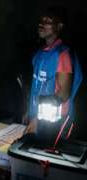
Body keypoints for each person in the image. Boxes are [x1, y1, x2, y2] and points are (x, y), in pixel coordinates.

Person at [25, 7, 82, 137]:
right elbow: (37, 86)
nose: (41, 24)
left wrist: (37, 119)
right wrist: (29, 112)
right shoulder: (39, 54)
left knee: (47, 155)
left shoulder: (62, 54)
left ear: (59, 26)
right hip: (39, 117)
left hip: (56, 121)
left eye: (48, 21)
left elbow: (63, 95)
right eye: (41, 21)